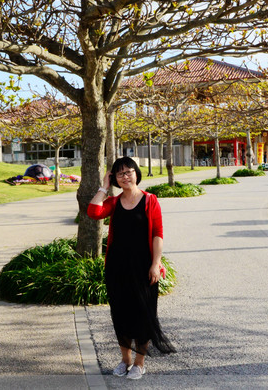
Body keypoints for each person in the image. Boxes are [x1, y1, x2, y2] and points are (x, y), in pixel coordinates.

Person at [87, 157, 175, 380]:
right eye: (119, 174)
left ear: (137, 173)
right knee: (121, 315)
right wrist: (104, 187)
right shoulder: (114, 203)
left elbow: (158, 234)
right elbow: (93, 212)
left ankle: (139, 363)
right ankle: (125, 360)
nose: (125, 176)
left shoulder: (150, 200)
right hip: (117, 268)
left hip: (143, 268)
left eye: (129, 172)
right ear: (114, 178)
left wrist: (156, 264)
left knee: (143, 315)